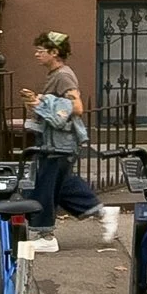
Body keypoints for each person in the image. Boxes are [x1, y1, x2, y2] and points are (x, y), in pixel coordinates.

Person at [21, 31, 119, 246]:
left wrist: (42, 103)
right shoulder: (55, 74)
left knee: (45, 188)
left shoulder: (63, 75)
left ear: (54, 52)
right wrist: (38, 101)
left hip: (59, 145)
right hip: (55, 143)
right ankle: (102, 212)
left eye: (41, 51)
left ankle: (45, 236)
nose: (37, 55)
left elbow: (76, 107)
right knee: (62, 186)